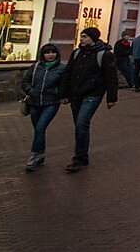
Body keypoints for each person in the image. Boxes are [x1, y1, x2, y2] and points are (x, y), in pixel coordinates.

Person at [59, 28, 118, 173]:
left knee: (81, 123)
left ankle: (78, 158)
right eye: (81, 37)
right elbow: (68, 73)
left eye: (84, 37)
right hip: (75, 94)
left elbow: (111, 77)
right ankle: (83, 155)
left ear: (93, 38)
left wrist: (111, 98)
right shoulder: (77, 53)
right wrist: (63, 93)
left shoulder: (104, 54)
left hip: (93, 94)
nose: (82, 39)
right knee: (79, 125)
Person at [21, 43, 65, 172]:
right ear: (43, 54)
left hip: (51, 103)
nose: (50, 55)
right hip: (34, 102)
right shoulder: (35, 67)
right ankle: (40, 155)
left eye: (53, 52)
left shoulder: (62, 69)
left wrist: (59, 93)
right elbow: (25, 81)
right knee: (38, 130)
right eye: (47, 52)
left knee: (40, 127)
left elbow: (65, 85)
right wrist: (30, 90)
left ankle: (34, 155)